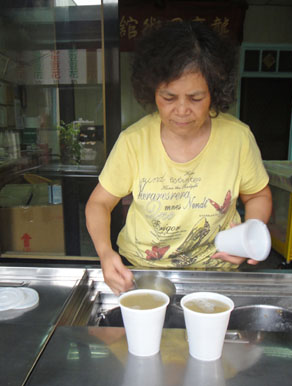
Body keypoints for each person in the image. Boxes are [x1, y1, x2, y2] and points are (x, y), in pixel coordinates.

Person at [86, 21, 272, 295]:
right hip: (142, 273)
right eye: (169, 97)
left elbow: (258, 196)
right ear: (152, 92)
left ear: (214, 93)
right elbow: (99, 203)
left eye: (196, 98)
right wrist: (105, 253)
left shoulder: (238, 138)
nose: (182, 110)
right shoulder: (134, 142)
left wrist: (248, 235)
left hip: (215, 273)